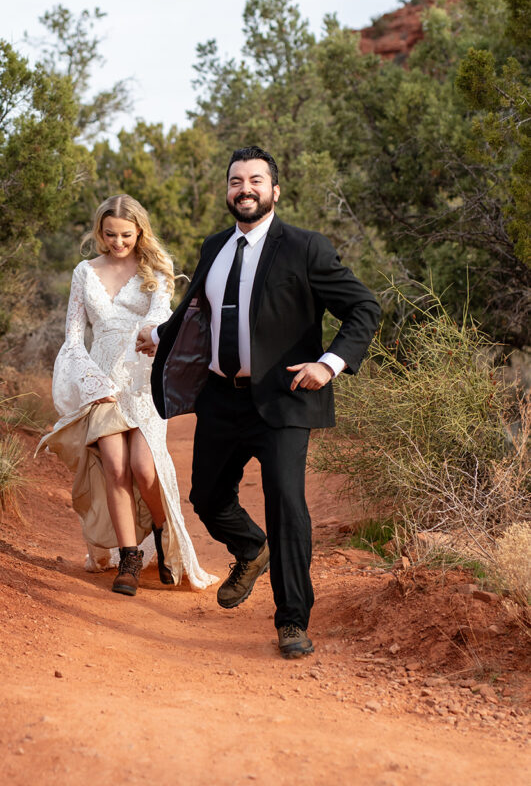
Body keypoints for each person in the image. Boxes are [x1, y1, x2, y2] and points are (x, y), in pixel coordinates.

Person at [137, 147, 380, 656]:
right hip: (222, 397)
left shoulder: (305, 248)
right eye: (235, 181)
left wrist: (329, 363)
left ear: (274, 190)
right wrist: (160, 335)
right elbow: (195, 310)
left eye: (254, 180)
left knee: (287, 506)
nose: (244, 189)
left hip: (286, 397)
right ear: (227, 190)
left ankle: (292, 621)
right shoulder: (215, 247)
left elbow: (363, 307)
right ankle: (251, 546)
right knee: (206, 496)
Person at [36, 194, 216, 596]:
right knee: (115, 467)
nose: (119, 242)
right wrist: (88, 380)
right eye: (111, 234)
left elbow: (160, 316)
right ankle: (130, 558)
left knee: (144, 467)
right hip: (101, 380)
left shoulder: (157, 268)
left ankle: (164, 529)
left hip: (142, 376)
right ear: (100, 232)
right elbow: (73, 335)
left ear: (140, 232)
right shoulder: (84, 272)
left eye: (126, 235)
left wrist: (149, 329)